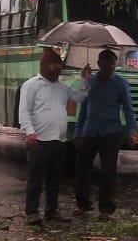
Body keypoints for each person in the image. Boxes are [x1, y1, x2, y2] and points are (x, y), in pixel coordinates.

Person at [18, 47, 91, 225]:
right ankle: (32, 212)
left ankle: (51, 211)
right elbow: (24, 112)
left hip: (58, 140)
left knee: (54, 179)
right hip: (38, 140)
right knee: (36, 178)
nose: (58, 69)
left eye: (59, 65)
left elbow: (79, 97)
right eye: (54, 65)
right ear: (43, 65)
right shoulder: (31, 85)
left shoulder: (62, 88)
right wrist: (30, 132)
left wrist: (84, 78)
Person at [75, 49, 137, 218]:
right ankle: (82, 204)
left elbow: (129, 109)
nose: (109, 66)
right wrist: (78, 130)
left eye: (112, 63)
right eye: (106, 63)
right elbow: (83, 107)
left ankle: (106, 208)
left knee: (109, 171)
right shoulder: (90, 81)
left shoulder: (121, 83)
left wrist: (132, 131)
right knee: (82, 168)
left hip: (110, 132)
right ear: (99, 64)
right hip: (90, 131)